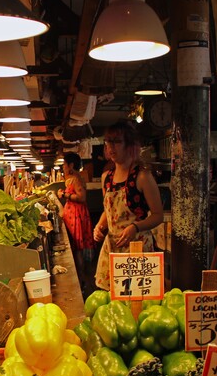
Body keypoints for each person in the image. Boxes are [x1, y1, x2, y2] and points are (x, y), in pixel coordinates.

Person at [93, 121, 164, 291]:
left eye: (117, 141)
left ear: (130, 145)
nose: (111, 147)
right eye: (108, 141)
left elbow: (158, 215)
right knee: (111, 298)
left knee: (138, 297)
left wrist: (135, 227)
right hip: (113, 247)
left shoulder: (142, 177)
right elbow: (108, 210)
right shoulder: (106, 177)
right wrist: (99, 226)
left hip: (137, 247)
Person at [57, 152, 95, 295]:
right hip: (74, 215)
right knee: (77, 247)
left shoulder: (76, 179)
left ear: (71, 165)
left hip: (77, 216)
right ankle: (81, 279)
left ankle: (82, 280)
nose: (63, 167)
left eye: (64, 164)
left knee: (78, 248)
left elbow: (82, 197)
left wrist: (64, 195)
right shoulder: (72, 179)